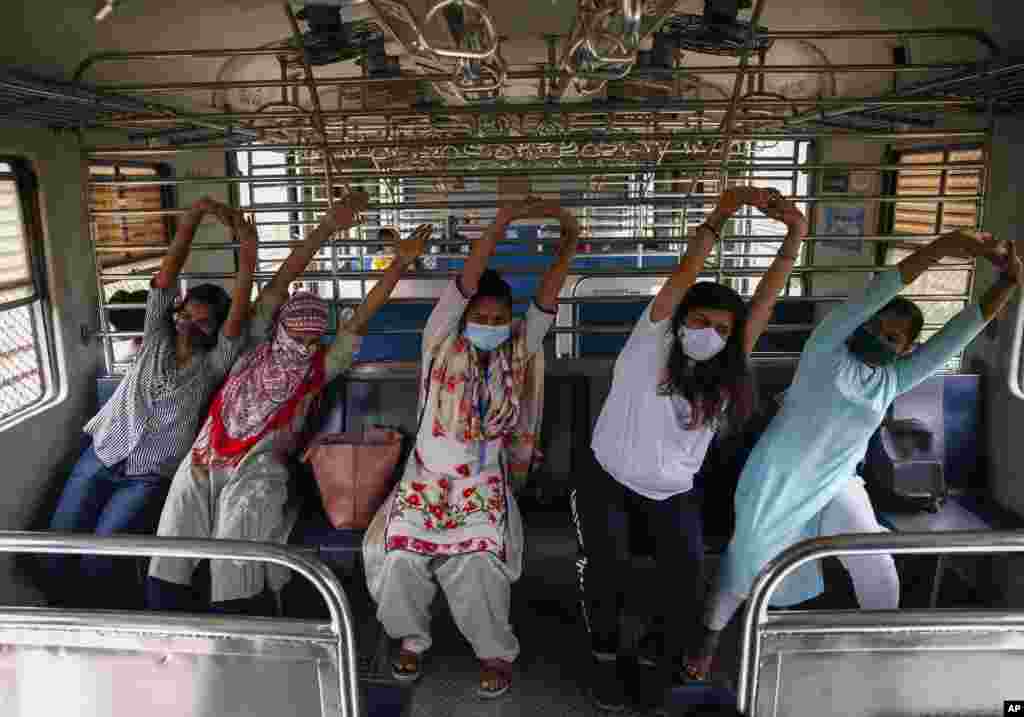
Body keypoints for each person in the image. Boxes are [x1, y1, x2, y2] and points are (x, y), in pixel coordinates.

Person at [688, 230, 1021, 679]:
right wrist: (942, 248)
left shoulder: (893, 380)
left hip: (838, 481)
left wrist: (1007, 283)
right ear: (862, 324)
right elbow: (880, 288)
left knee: (875, 560)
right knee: (748, 559)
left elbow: (957, 335)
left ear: (907, 349)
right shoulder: (825, 349)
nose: (885, 339)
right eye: (879, 328)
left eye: (898, 339)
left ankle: (883, 648)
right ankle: (710, 635)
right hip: (778, 475)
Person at [572, 187, 808, 711]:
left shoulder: (725, 366)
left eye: (721, 328)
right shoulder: (651, 340)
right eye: (699, 320)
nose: (708, 332)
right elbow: (685, 271)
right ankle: (607, 656)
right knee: (607, 569)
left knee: (683, 576)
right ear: (680, 319)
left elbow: (765, 300)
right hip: (607, 477)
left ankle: (659, 656)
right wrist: (723, 211)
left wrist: (796, 237)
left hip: (673, 488)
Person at [146, 193, 426, 614]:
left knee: (237, 532)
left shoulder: (320, 366)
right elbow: (281, 281)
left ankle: (239, 622)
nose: (301, 345)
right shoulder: (253, 344)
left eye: (311, 338)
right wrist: (328, 226)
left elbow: (360, 318)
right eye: (295, 334)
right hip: (207, 455)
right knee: (176, 527)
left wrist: (400, 265)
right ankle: (163, 614)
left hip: (260, 465)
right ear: (279, 328)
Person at [362, 197, 580, 699]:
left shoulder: (517, 350)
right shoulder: (437, 342)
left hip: (482, 483)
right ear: (461, 317)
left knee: (479, 562)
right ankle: (411, 638)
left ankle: (493, 653)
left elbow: (547, 300)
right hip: (424, 477)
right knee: (397, 557)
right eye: (479, 314)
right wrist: (500, 223)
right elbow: (465, 281)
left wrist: (566, 249)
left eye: (498, 315)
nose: (489, 321)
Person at [46, 198, 255, 608]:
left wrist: (248, 257)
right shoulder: (155, 339)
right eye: (185, 315)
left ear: (213, 330)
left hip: (147, 474)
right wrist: (193, 217)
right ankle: (57, 609)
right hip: (104, 453)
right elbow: (165, 276)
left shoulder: (213, 364)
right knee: (59, 541)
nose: (189, 325)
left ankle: (96, 615)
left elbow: (237, 318)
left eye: (202, 322)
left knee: (102, 556)